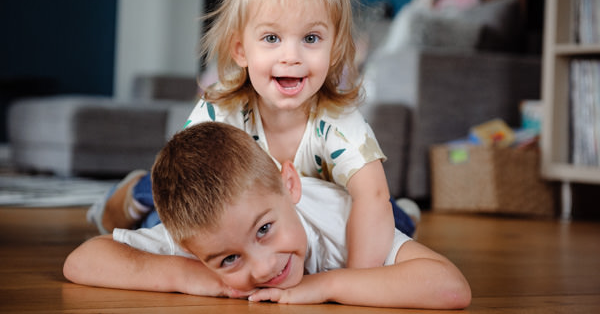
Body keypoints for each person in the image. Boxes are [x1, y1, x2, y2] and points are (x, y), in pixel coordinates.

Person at [88, 0, 418, 269]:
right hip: (230, 206)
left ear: (334, 51)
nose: (291, 56)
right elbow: (191, 187)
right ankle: (131, 193)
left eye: (311, 38)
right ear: (241, 51)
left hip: (310, 211)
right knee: (160, 215)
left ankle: (406, 210)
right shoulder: (222, 110)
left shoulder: (338, 120)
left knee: (390, 218)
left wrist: (353, 284)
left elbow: (371, 199)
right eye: (272, 38)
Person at [64, 122, 471, 309]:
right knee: (153, 211)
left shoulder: (338, 218)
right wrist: (192, 277)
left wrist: (327, 285)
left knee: (399, 219)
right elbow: (81, 261)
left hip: (358, 204)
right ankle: (139, 191)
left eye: (264, 230)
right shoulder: (205, 234)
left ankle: (405, 209)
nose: (261, 269)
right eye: (228, 259)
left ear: (289, 184)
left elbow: (450, 289)